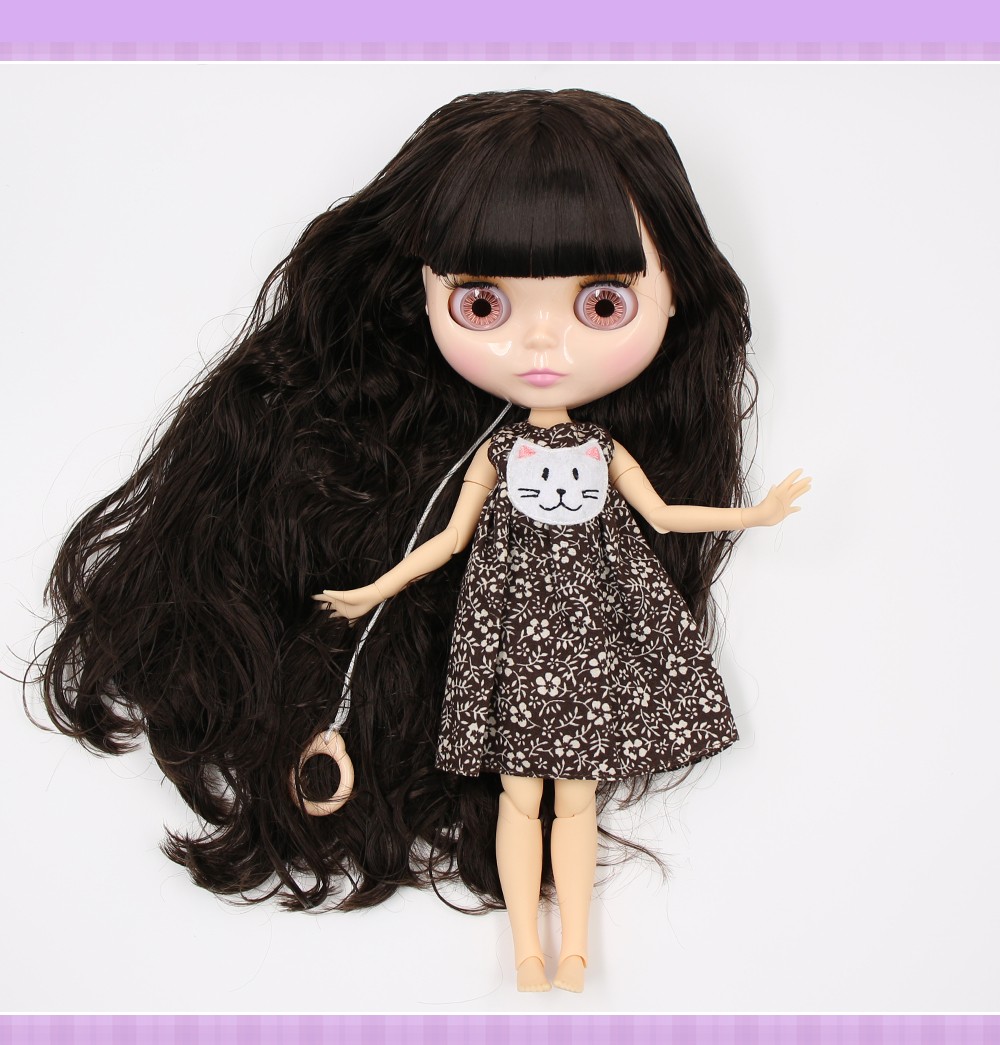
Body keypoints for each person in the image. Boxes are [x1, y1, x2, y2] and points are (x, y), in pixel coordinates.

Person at [36, 88, 808, 993]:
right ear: (424, 295)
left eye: (602, 303)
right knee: (527, 795)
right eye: (483, 303)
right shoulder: (500, 454)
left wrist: (756, 514)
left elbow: (666, 516)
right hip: (514, 638)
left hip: (587, 641)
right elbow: (443, 542)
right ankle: (531, 947)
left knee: (569, 799)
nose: (542, 342)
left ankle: (573, 947)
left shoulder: (603, 451)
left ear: (678, 299)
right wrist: (375, 590)